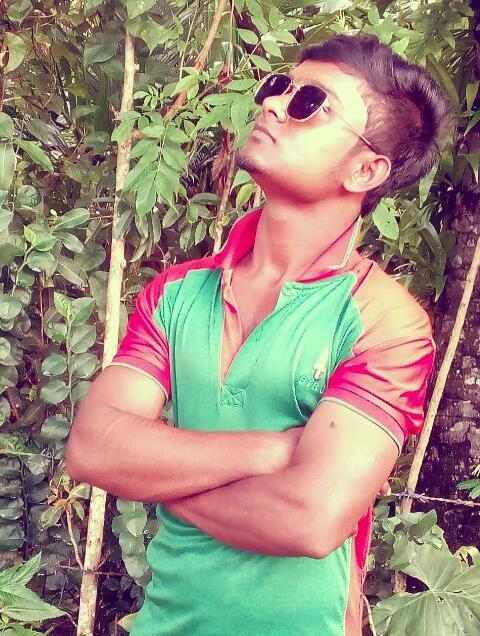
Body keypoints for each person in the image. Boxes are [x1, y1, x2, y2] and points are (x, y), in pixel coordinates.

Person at [67, 34, 451, 636]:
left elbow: (310, 518)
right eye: (279, 87)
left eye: (310, 103)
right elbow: (93, 448)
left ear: (365, 169)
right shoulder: (176, 293)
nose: (273, 104)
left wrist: (153, 475)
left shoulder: (384, 321)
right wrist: (271, 451)